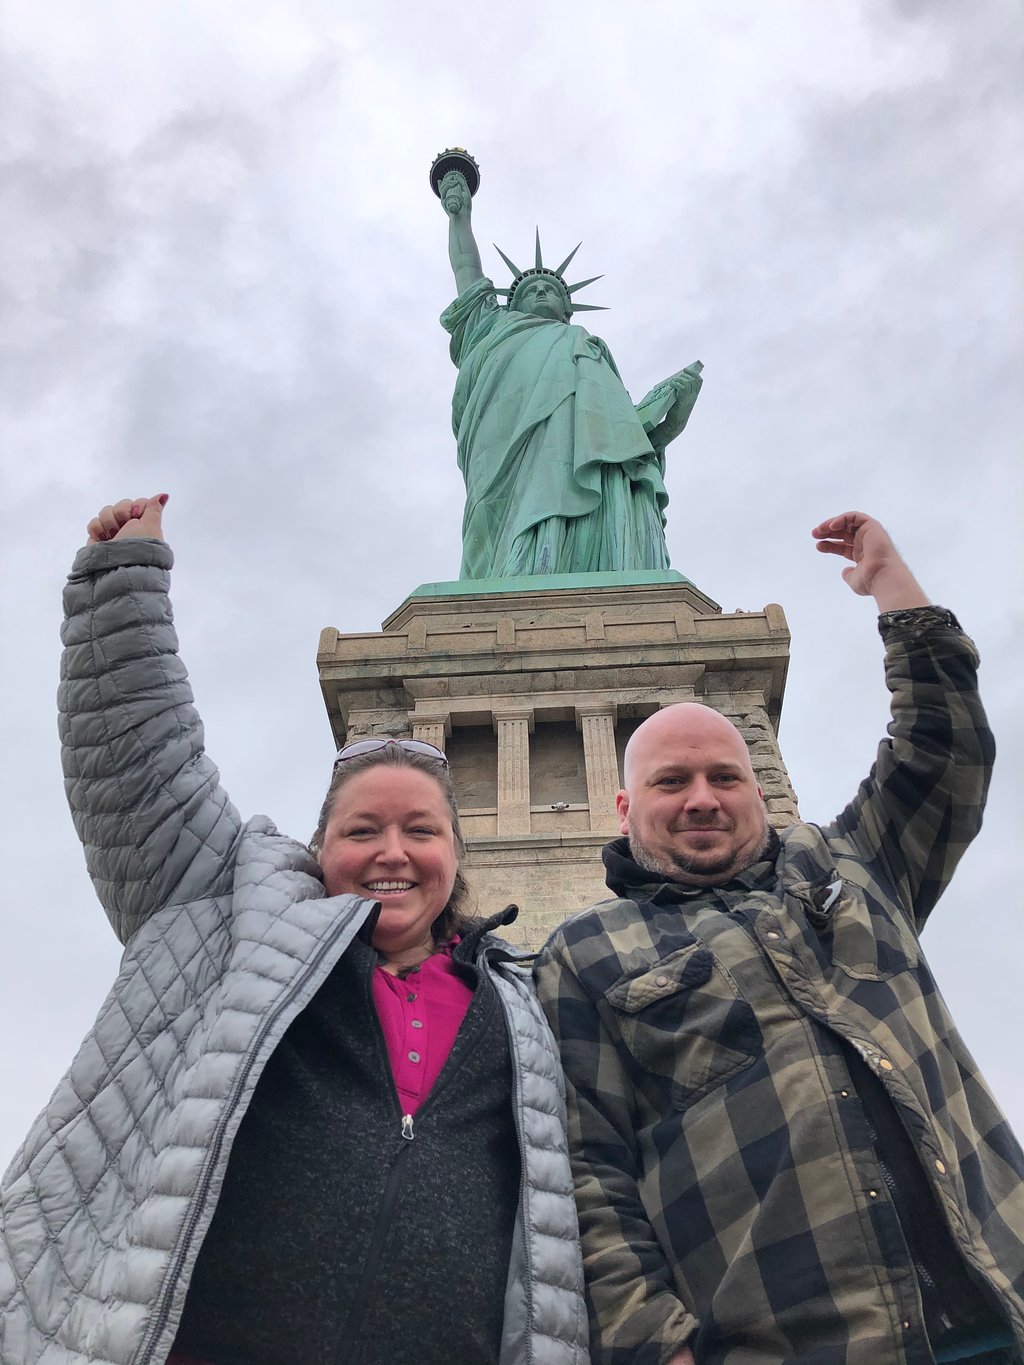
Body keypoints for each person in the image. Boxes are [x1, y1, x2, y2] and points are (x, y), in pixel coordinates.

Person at [0, 495, 590, 1365]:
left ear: (455, 856)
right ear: (319, 851)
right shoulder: (233, 916)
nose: (393, 852)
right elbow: (141, 767)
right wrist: (125, 587)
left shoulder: (526, 1002)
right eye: (362, 831)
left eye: (420, 831)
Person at [535, 511, 1024, 1365]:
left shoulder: (854, 863)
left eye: (726, 775)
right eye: (671, 781)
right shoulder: (585, 955)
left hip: (997, 1301)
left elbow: (943, 748)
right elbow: (586, 1174)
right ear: (623, 807)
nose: (702, 797)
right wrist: (656, 1347)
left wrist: (893, 590)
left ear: (759, 788)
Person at [438, 167, 703, 580]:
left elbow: (619, 441)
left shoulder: (588, 346)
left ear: (566, 309)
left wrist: (672, 416)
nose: (541, 293)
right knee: (494, 531)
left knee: (593, 496)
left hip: (581, 465)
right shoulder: (490, 330)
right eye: (530, 291)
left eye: (551, 292)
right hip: (502, 455)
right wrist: (459, 218)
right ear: (512, 306)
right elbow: (466, 273)